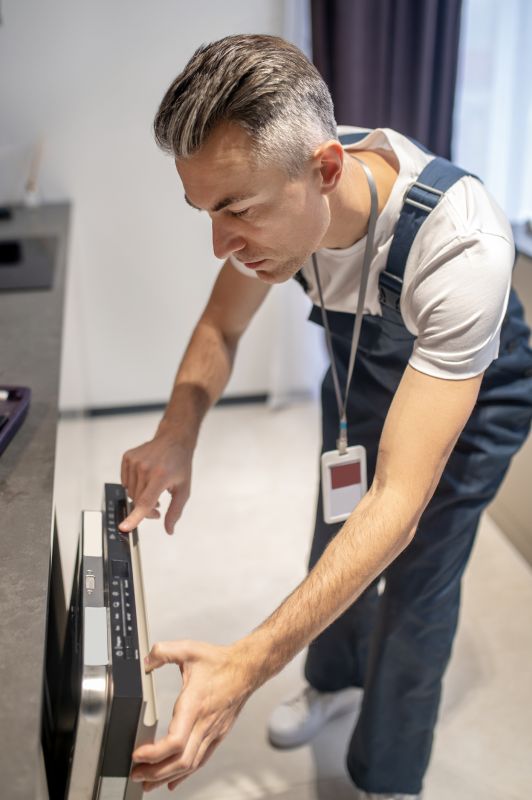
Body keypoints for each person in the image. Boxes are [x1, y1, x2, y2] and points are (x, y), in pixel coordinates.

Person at [118, 34, 532, 798]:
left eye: (235, 211)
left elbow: (401, 504)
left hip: (473, 400)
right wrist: (178, 431)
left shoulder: (461, 245)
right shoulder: (286, 195)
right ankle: (334, 681)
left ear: (328, 171)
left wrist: (246, 665)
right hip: (363, 381)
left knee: (417, 579)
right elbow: (221, 328)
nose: (221, 244)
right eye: (204, 211)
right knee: (335, 531)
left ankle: (387, 778)